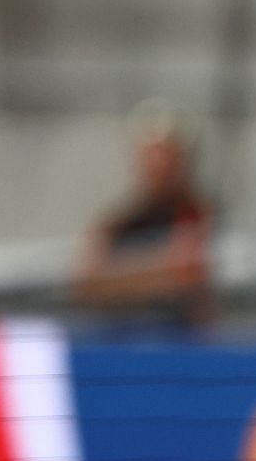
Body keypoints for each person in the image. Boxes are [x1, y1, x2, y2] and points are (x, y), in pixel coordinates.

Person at [71, 105, 214, 329]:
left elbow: (190, 272)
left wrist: (117, 275)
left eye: (168, 157)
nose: (159, 166)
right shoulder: (121, 222)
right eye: (151, 157)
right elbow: (85, 281)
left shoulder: (198, 214)